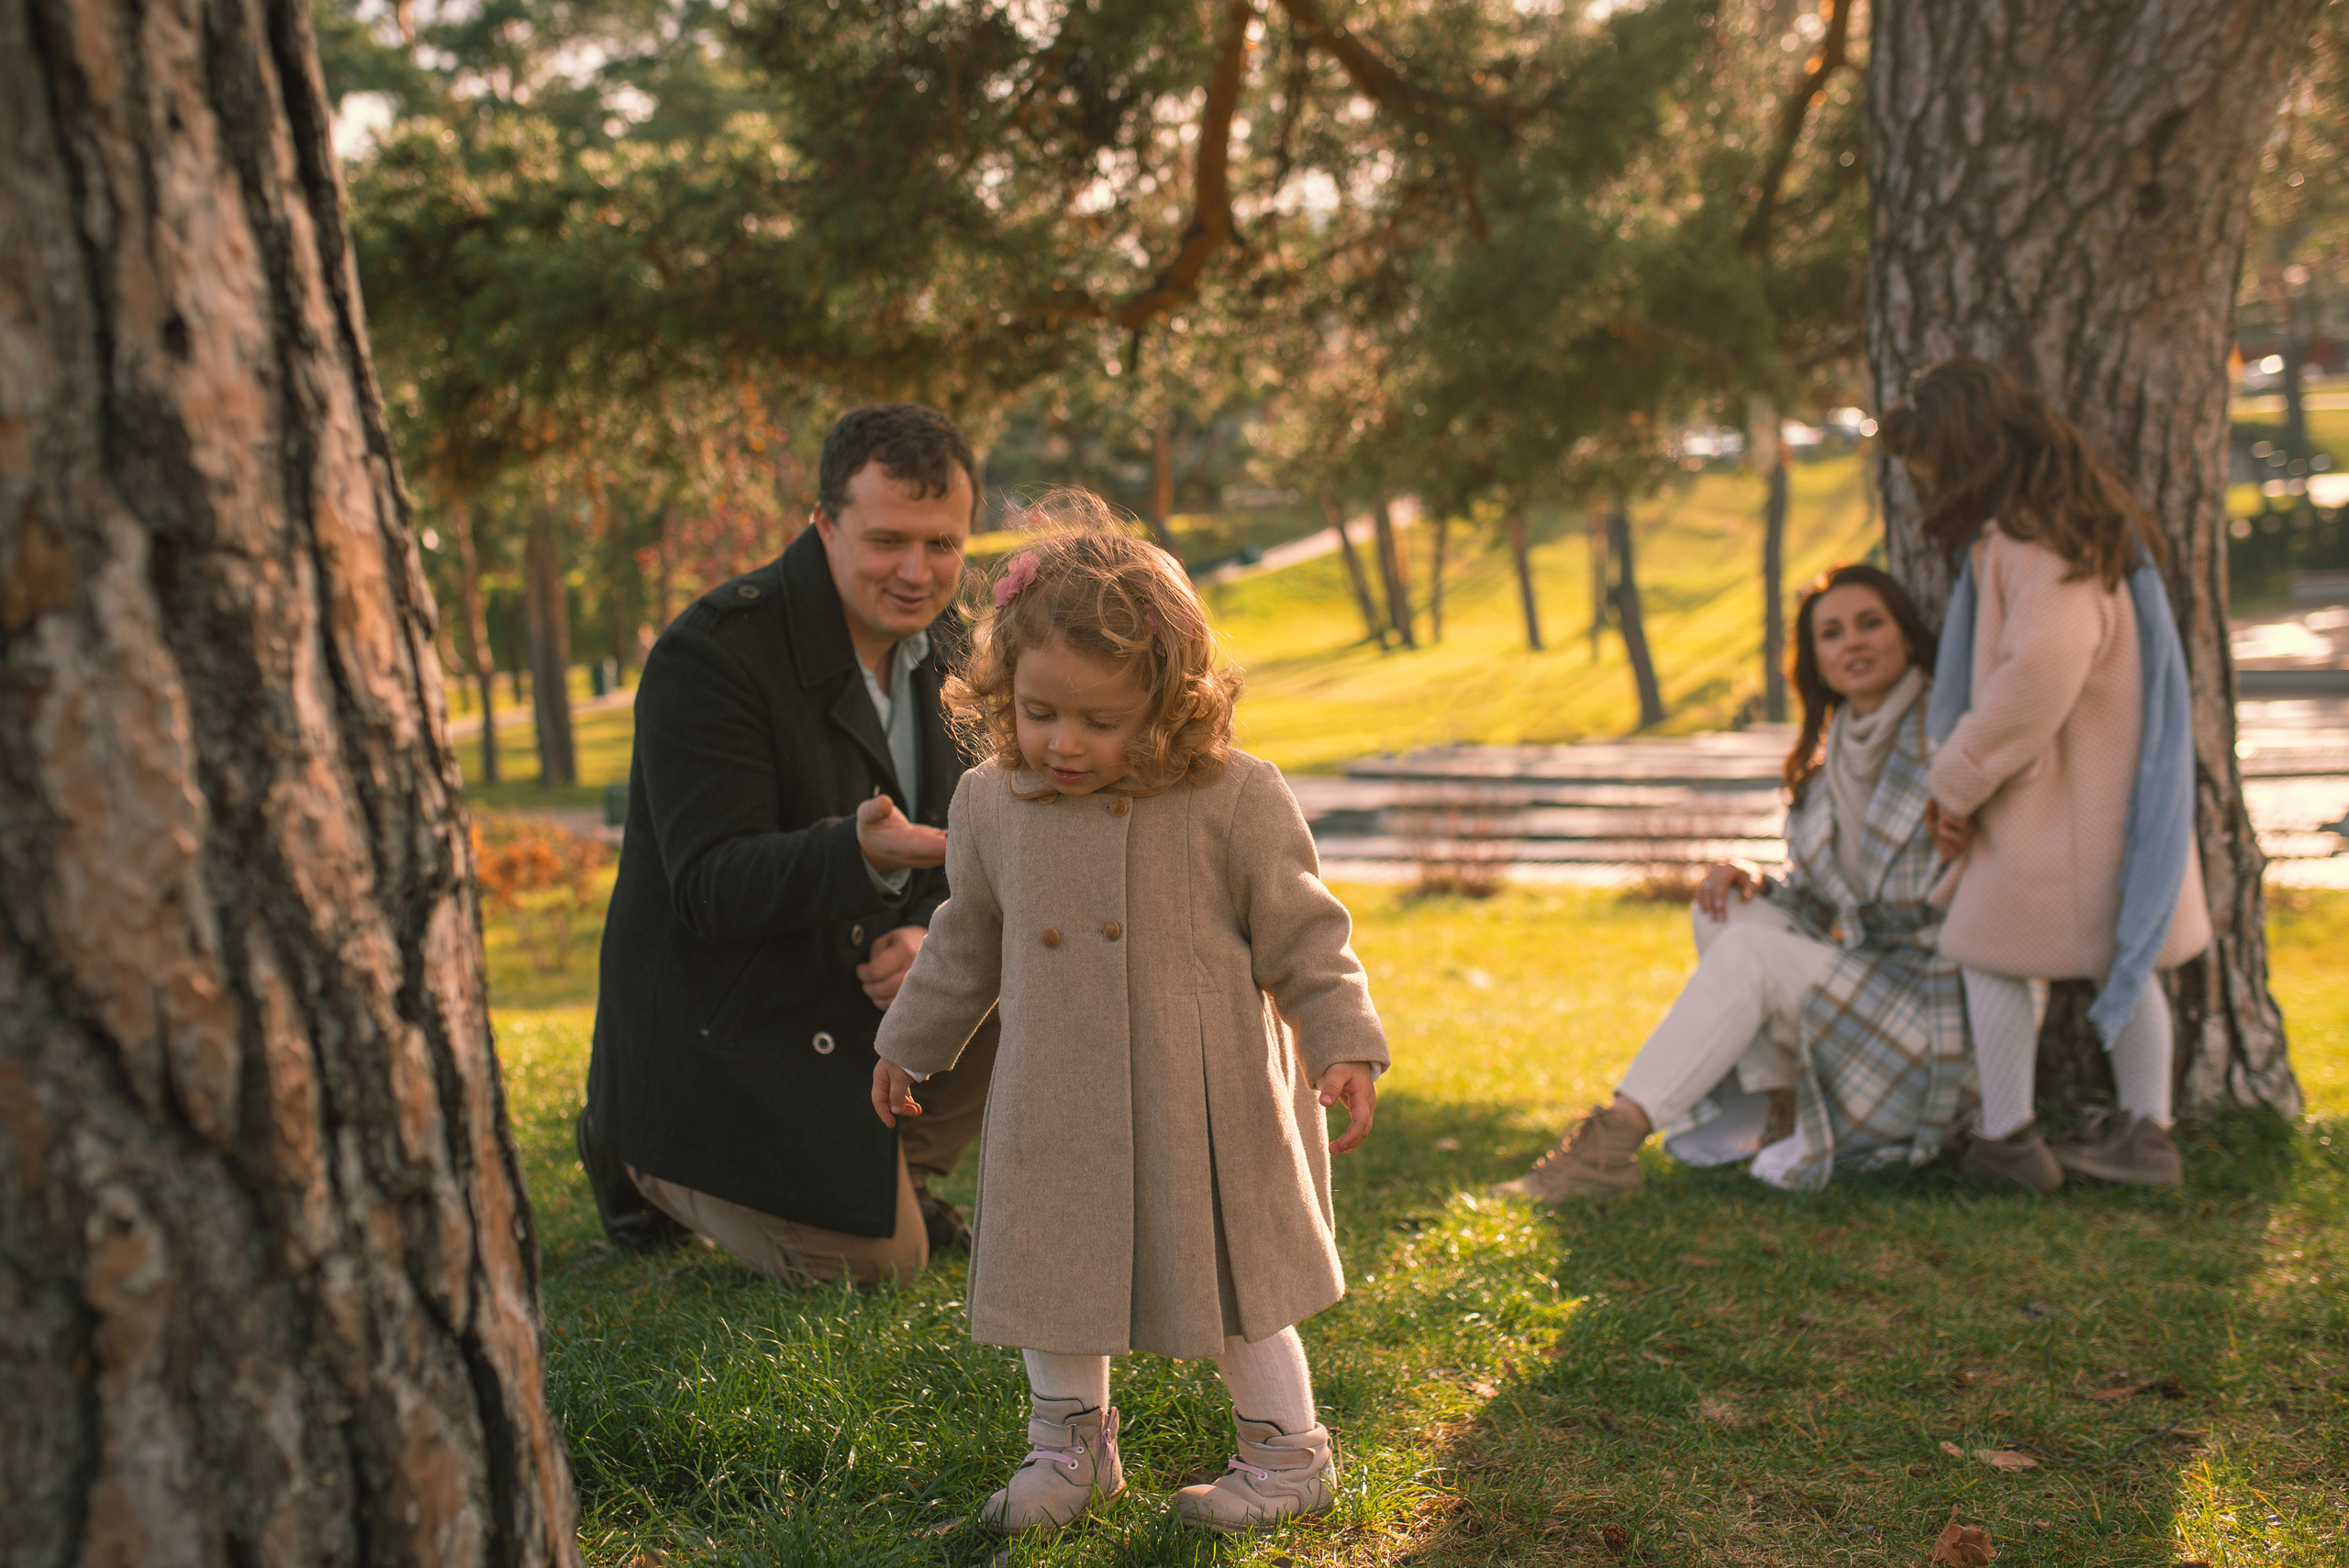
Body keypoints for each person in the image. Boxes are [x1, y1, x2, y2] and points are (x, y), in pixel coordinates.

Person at [865, 509, 1388, 1535]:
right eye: (1041, 709)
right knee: (1051, 1261)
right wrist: (907, 1041)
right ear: (1003, 689)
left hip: (1207, 1089)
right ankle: (1068, 1450)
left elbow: (1305, 935)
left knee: (1243, 1275)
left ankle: (1286, 1453)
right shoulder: (989, 802)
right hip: (1059, 1082)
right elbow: (964, 939)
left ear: (1169, 700)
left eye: (1101, 720)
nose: (1065, 741)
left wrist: (1343, 1038)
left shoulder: (1233, 796)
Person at [576, 403, 1000, 1283]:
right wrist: (858, 856)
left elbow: (974, 838)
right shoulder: (713, 655)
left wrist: (923, 931)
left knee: (1033, 951)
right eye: (888, 541)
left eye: (943, 544)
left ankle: (895, 1174)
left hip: (853, 1012)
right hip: (731, 1033)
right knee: (881, 1264)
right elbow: (708, 884)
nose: (918, 572)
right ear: (823, 523)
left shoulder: (959, 646)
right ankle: (638, 1154)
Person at [1498, 563, 1976, 1199]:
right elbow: (1823, 897)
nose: (1852, 642)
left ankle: (1612, 1142)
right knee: (1726, 911)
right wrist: (1759, 880)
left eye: (1870, 623)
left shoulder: (1951, 740)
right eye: (1831, 633)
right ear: (1818, 662)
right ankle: (1777, 1104)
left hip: (1931, 1014)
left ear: (1908, 636)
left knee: (1750, 951)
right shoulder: (1829, 761)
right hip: (1860, 994)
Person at [1879, 357, 2211, 1191]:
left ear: (1970, 453)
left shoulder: (2034, 539)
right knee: (2120, 955)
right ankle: (2144, 1132)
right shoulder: (2078, 527)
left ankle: (2009, 1138)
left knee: (1989, 953)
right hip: (2093, 803)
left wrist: (1954, 781)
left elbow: (2037, 677)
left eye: (1935, 465)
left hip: (2058, 809)